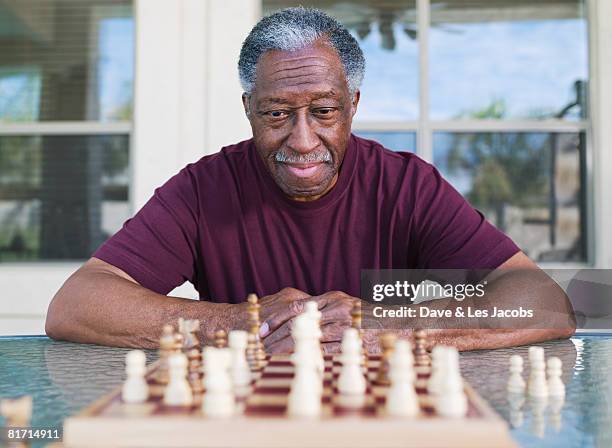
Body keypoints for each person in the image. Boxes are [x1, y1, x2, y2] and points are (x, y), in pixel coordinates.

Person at [45, 8, 575, 353]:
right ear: (249, 108)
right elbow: (77, 303)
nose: (302, 140)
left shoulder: (406, 185)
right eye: (277, 114)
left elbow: (543, 300)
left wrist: (382, 326)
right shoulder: (204, 188)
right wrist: (239, 323)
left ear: (353, 107)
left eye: (324, 111)